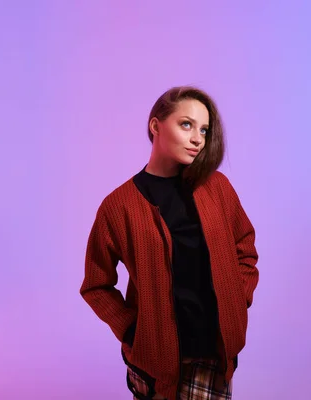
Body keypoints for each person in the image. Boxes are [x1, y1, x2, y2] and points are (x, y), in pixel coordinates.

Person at [79, 86, 259, 400]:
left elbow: (244, 247)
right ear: (156, 125)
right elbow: (96, 285)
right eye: (186, 124)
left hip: (213, 356)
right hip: (156, 363)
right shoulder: (119, 206)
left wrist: (235, 302)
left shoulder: (217, 188)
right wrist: (132, 330)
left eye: (204, 129)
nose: (198, 138)